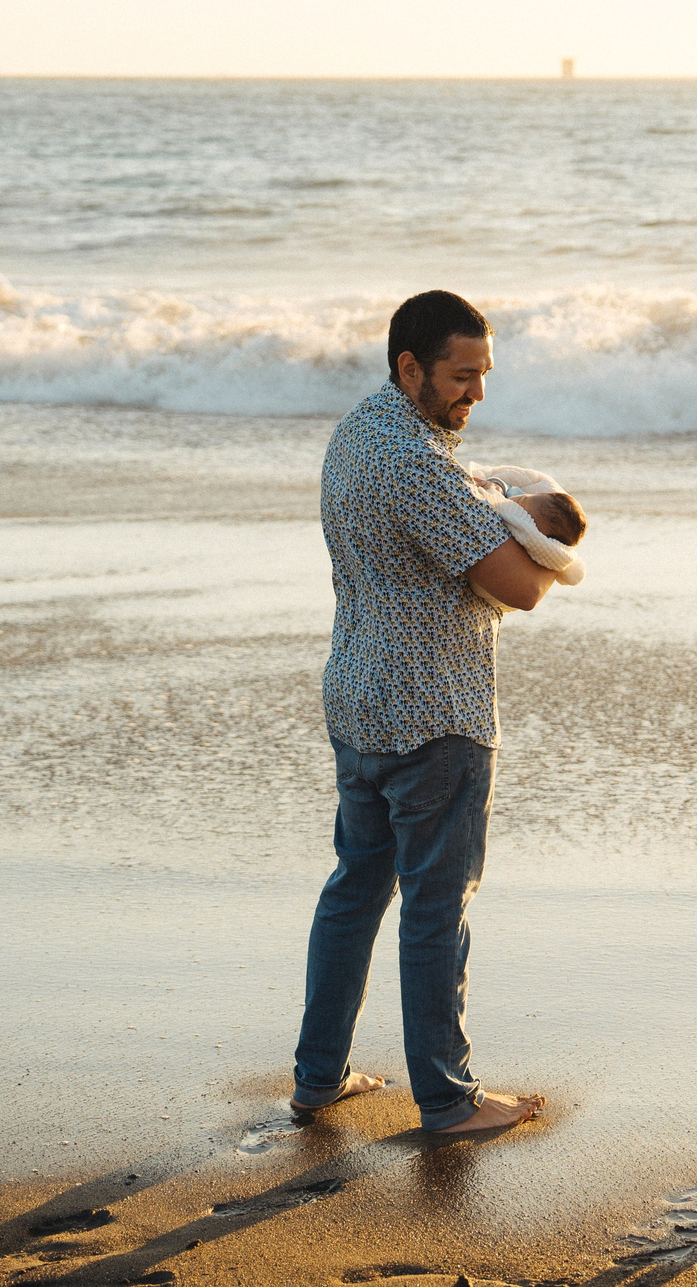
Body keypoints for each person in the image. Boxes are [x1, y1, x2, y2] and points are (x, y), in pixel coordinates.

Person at [289, 290, 560, 1134]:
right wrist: (550, 544)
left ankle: (317, 1077)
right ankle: (446, 1099)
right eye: (459, 377)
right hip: (433, 714)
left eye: (483, 376)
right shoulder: (416, 461)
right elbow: (520, 588)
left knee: (355, 890)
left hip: (358, 696)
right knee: (437, 909)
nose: (474, 395)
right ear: (410, 368)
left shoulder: (353, 436)